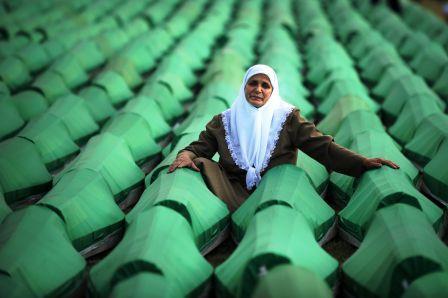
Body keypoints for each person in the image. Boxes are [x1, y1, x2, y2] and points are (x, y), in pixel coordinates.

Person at [168, 64, 399, 212]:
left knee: (287, 183)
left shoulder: (287, 118)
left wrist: (361, 163)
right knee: (198, 164)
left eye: (265, 85)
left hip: (275, 187)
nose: (258, 89)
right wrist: (185, 155)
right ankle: (225, 210)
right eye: (253, 83)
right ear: (244, 86)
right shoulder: (225, 120)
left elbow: (322, 147)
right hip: (232, 186)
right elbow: (199, 148)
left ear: (272, 91)